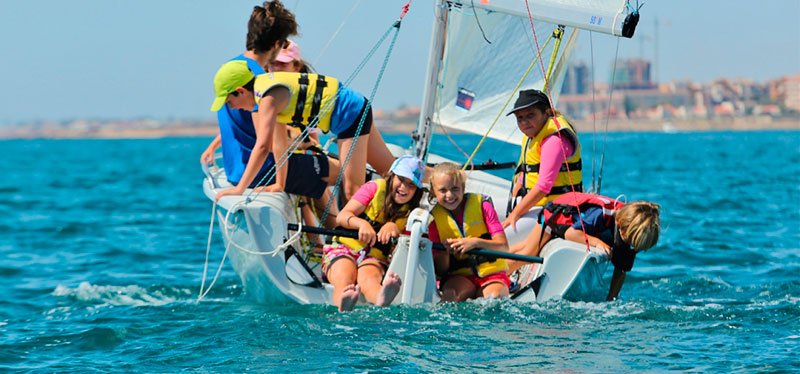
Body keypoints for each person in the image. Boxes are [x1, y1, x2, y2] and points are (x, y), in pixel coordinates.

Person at [200, 2, 339, 221]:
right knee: (345, 172)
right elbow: (275, 141)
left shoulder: (231, 69)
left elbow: (239, 123)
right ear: (277, 44)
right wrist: (280, 183)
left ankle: (327, 241)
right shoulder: (261, 81)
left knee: (314, 176)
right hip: (261, 174)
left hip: (235, 170)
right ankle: (346, 240)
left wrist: (213, 146)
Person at [210, 49, 397, 203]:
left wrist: (240, 188)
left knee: (352, 189)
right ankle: (422, 191)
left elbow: (262, 146)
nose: (231, 107)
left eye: (228, 101)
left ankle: (371, 239)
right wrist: (279, 184)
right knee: (390, 170)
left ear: (240, 91)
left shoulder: (267, 98)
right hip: (354, 108)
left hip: (350, 114)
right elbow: (279, 145)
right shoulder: (265, 90)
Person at [506, 192, 660, 301]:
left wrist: (611, 299)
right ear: (621, 227)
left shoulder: (628, 233)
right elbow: (571, 234)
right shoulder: (600, 214)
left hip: (573, 225)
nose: (630, 246)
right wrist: (596, 242)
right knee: (529, 253)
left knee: (525, 246)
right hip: (558, 216)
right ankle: (496, 275)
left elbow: (621, 270)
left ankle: (494, 258)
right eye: (631, 242)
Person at [322, 155, 426, 311]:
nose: (404, 187)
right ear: (391, 175)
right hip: (342, 249)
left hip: (374, 258)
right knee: (345, 278)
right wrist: (361, 224)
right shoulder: (374, 188)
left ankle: (381, 298)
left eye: (411, 185)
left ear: (416, 191)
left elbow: (404, 250)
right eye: (401, 179)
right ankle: (343, 305)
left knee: (369, 279)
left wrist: (394, 229)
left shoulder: (412, 214)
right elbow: (343, 216)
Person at [427, 162, 511, 302]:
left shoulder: (482, 205)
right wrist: (445, 252)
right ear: (433, 192)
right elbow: (440, 271)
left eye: (455, 189)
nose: (450, 195)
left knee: (492, 300)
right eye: (443, 190)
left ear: (463, 188)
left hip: (492, 275)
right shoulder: (434, 220)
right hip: (460, 277)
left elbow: (503, 246)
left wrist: (474, 242)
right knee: (449, 297)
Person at [502, 89, 583, 232]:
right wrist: (513, 205)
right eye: (519, 118)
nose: (524, 122)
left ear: (547, 113)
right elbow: (523, 177)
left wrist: (514, 215)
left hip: (556, 210)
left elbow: (543, 187)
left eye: (530, 115)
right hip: (536, 206)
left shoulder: (554, 140)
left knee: (500, 234)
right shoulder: (532, 135)